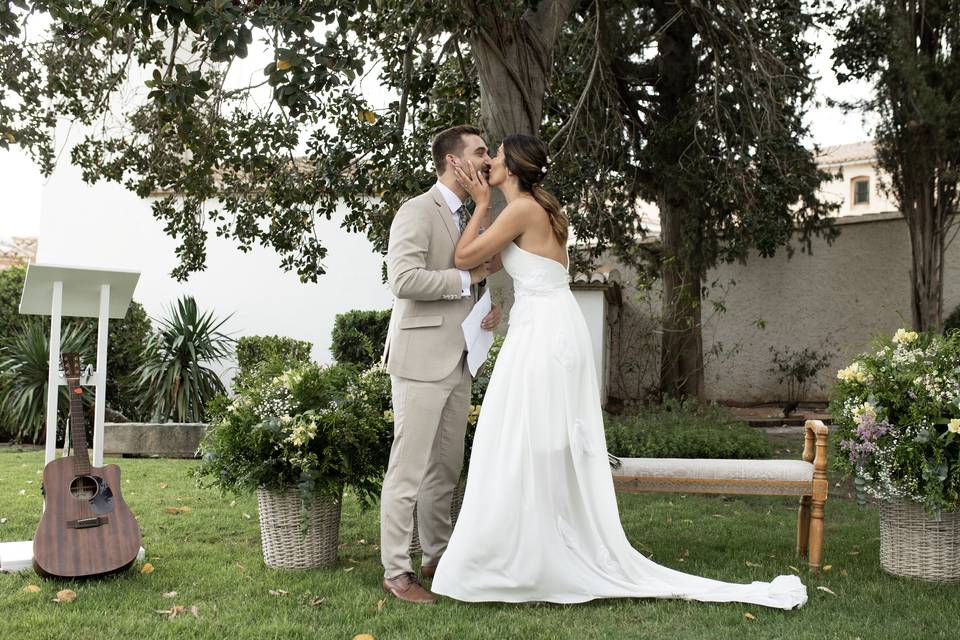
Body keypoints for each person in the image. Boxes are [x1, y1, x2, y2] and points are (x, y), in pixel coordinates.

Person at [429, 134, 807, 610]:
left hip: (543, 334)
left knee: (526, 436)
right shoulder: (531, 209)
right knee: (526, 437)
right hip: (545, 326)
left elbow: (464, 259)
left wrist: (480, 204)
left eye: (497, 158)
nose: (491, 165)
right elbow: (490, 262)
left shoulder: (520, 208)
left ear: (514, 167)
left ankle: (533, 553)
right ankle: (525, 544)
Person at [379, 124, 502, 605]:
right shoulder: (416, 210)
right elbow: (403, 279)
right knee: (408, 470)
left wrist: (487, 305)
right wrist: (467, 276)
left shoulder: (467, 215)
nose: (488, 158)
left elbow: (467, 283)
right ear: (455, 162)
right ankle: (396, 573)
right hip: (420, 359)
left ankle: (437, 558)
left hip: (460, 359)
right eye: (480, 151)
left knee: (445, 471)